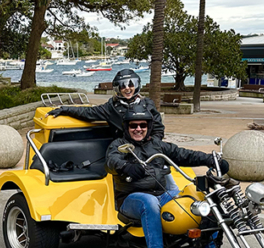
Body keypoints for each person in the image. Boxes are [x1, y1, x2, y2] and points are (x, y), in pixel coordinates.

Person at [105, 106, 230, 248]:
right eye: (134, 125)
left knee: (198, 201)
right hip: (131, 199)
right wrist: (126, 166)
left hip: (161, 194)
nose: (138, 129)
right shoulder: (119, 145)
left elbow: (183, 154)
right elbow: (111, 160)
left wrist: (211, 159)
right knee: (149, 203)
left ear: (148, 126)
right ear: (127, 127)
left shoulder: (157, 145)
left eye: (142, 125)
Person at [47, 69, 177, 197]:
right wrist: (64, 109)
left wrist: (153, 144)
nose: (127, 89)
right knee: (126, 174)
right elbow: (88, 113)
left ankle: (173, 196)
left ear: (137, 86)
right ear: (118, 88)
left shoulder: (147, 104)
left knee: (165, 173)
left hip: (148, 147)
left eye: (131, 85)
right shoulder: (111, 107)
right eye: (123, 86)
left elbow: (158, 128)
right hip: (125, 150)